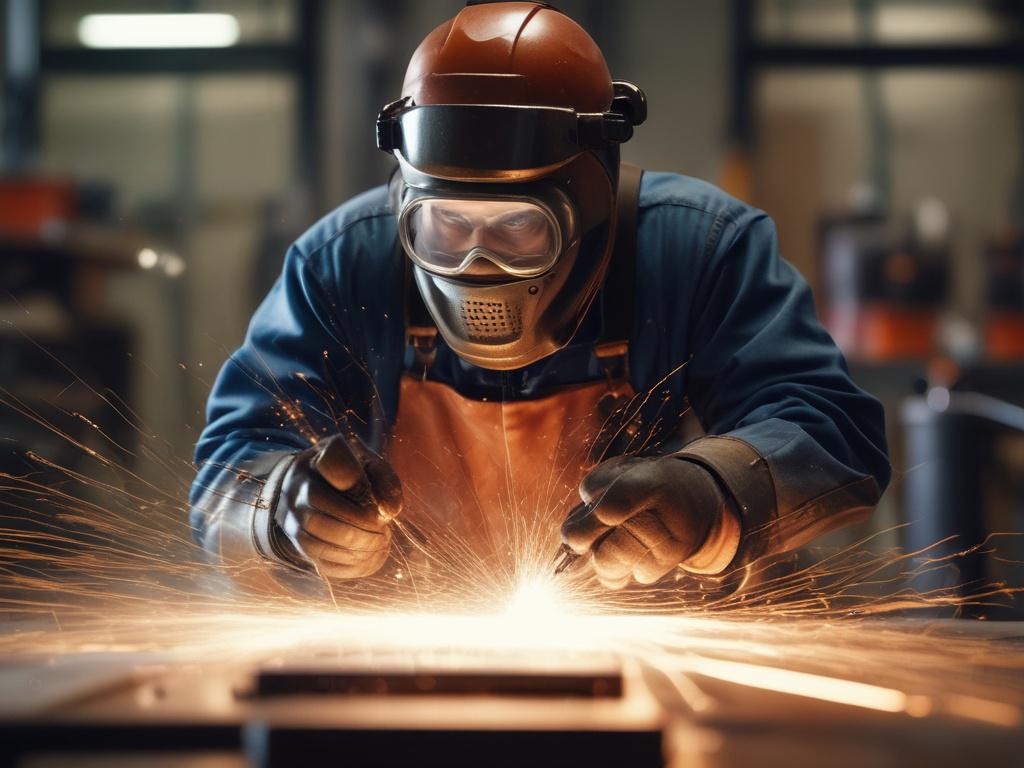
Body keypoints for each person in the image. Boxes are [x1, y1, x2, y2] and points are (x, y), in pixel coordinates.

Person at [190, 1, 889, 593]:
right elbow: (229, 466)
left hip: (657, 632)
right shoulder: (343, 261)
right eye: (445, 226)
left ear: (588, 204)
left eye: (521, 228)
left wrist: (710, 495)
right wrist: (279, 509)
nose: (477, 262)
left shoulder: (698, 249)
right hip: (409, 637)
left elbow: (833, 430)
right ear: (408, 199)